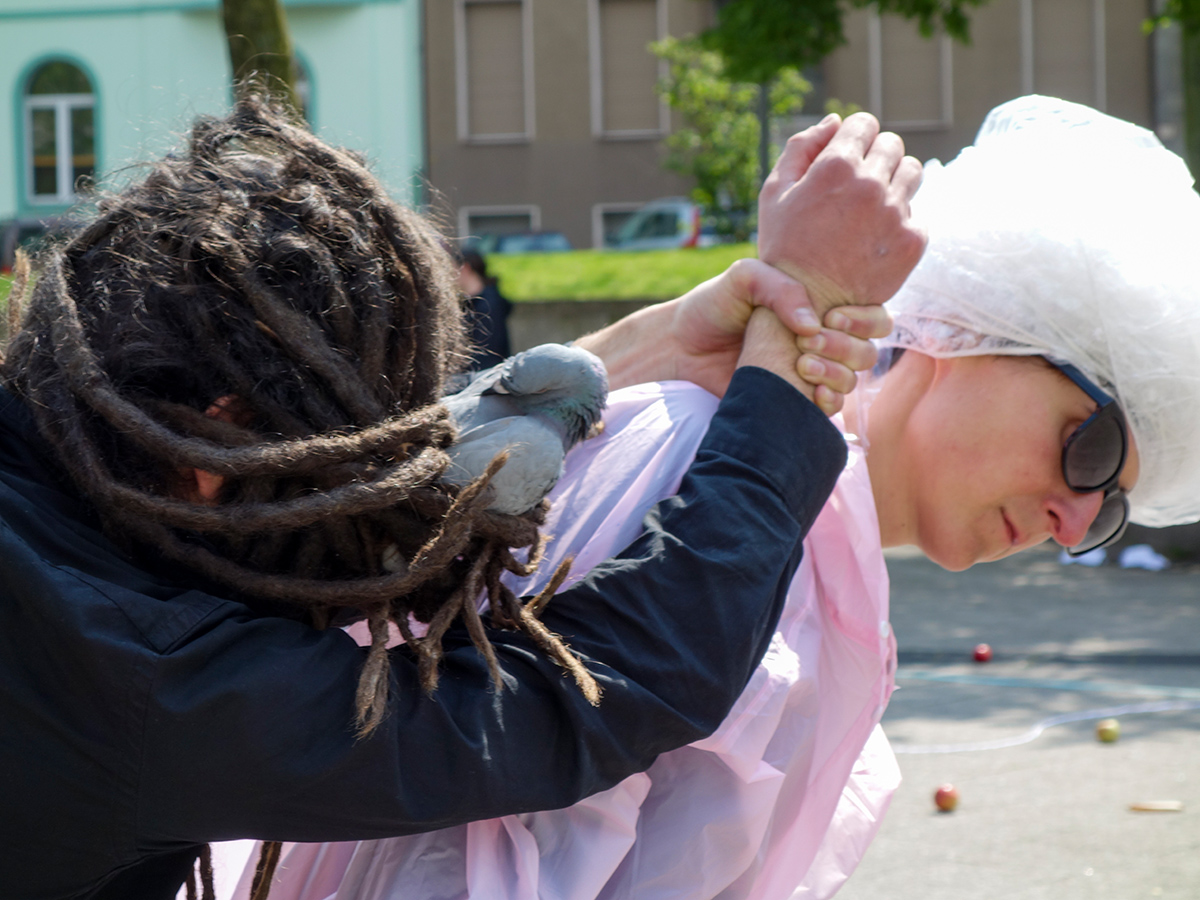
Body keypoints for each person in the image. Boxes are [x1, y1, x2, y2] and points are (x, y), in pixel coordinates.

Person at [238, 96, 1200, 900]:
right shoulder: (701, 457)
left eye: (1112, 507)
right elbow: (463, 824)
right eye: (1095, 446)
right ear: (980, 328)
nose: (1078, 523)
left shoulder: (827, 546)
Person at [0, 97, 923, 900]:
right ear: (218, 441)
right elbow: (574, 700)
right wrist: (790, 379)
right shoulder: (133, 671)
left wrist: (647, 353)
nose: (366, 502)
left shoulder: (55, 464)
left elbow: (339, 466)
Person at [458, 249, 513, 368]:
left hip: (485, 377)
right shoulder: (469, 304)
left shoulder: (489, 304)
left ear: (465, 268)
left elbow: (488, 352)